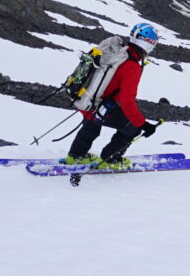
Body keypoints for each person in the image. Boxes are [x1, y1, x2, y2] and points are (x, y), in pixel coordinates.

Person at [65, 22, 160, 169]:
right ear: (149, 44)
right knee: (132, 129)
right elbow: (127, 100)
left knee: (91, 126)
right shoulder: (132, 65)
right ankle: (110, 159)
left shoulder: (117, 52)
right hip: (100, 106)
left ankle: (75, 156)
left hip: (86, 99)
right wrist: (143, 124)